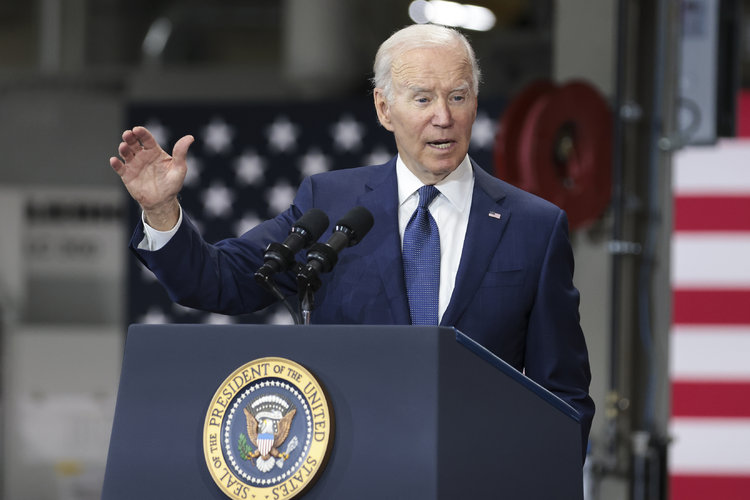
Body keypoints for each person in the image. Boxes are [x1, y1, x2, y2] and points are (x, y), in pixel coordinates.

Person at [110, 24, 594, 457]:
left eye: (459, 96)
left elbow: (563, 395)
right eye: (423, 99)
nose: (443, 117)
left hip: (480, 480)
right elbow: (219, 281)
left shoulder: (534, 226)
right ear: (385, 109)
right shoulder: (331, 203)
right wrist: (159, 210)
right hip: (356, 471)